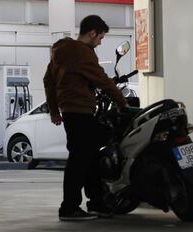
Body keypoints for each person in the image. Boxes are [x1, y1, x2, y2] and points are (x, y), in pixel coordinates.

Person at [43, 15, 128, 221]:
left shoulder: (61, 52)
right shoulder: (83, 53)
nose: (100, 42)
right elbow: (102, 79)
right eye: (101, 37)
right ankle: (69, 208)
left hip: (70, 112)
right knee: (80, 161)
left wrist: (55, 109)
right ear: (92, 33)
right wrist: (123, 103)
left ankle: (96, 203)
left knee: (88, 157)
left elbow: (48, 80)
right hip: (81, 111)